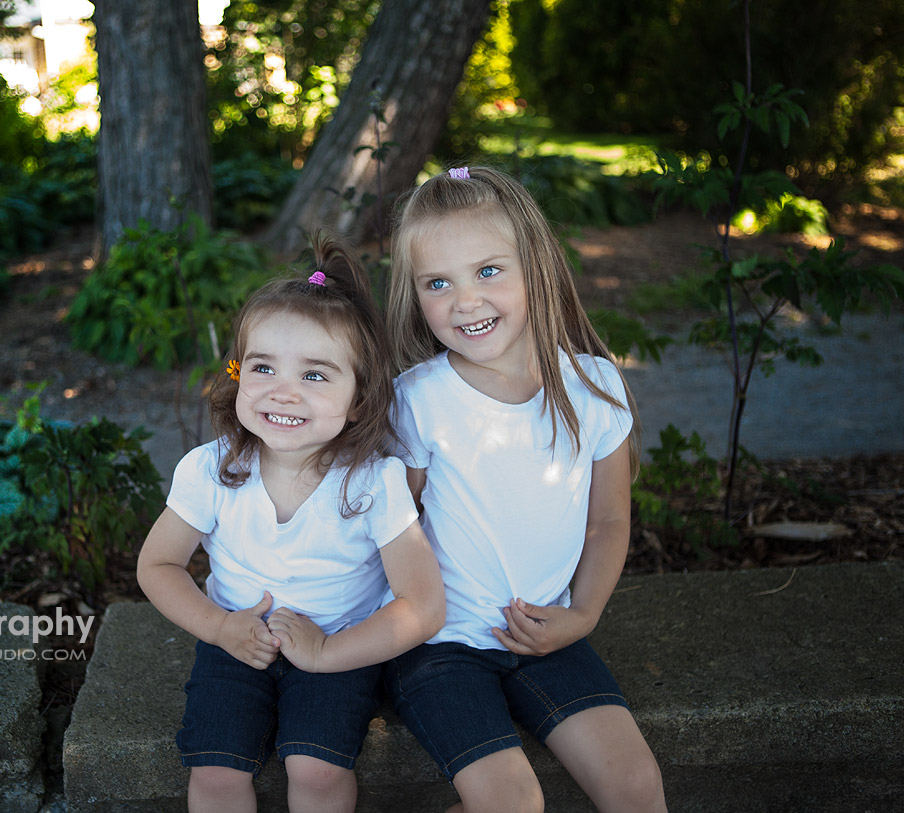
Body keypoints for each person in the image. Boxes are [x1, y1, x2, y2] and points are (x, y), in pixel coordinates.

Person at [383, 166, 666, 812]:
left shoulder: (594, 388)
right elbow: (390, 528)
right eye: (438, 282)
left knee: (637, 785)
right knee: (513, 802)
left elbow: (608, 524)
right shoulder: (421, 400)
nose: (465, 300)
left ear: (534, 264)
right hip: (440, 644)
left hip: (548, 633)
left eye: (488, 271)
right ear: (418, 294)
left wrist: (582, 615)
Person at [137, 233, 446, 813]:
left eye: (315, 375)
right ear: (237, 375)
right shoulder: (213, 469)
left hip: (340, 644)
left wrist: (329, 652)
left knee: (316, 768)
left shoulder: (374, 483)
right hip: (234, 640)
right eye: (263, 367)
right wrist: (218, 627)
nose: (283, 390)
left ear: (360, 397)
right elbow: (158, 564)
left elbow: (423, 605)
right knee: (215, 771)